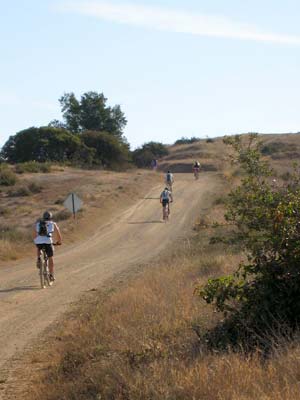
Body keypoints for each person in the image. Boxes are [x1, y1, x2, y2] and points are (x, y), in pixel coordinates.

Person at [33, 211, 62, 281]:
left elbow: (34, 234)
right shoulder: (53, 224)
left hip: (39, 241)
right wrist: (59, 241)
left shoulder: (38, 224)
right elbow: (58, 234)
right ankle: (51, 275)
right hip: (48, 242)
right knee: (50, 258)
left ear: (43, 217)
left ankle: (39, 258)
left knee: (38, 246)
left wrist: (36, 241)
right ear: (51, 218)